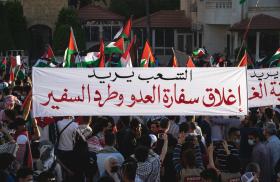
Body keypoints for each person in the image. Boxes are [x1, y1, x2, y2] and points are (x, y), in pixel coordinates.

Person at [55, 116, 78, 180]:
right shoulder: (75, 125)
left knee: (61, 170)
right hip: (71, 149)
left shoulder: (58, 123)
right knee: (70, 170)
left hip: (60, 148)